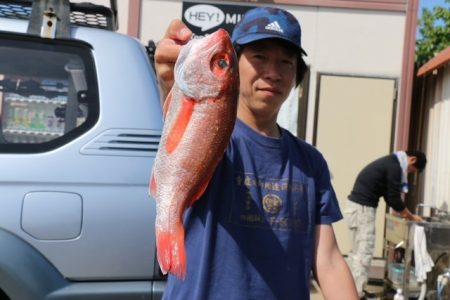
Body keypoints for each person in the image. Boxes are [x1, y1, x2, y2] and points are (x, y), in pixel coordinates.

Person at [154, 6, 358, 299]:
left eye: (286, 62)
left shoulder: (310, 163)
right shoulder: (215, 137)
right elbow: (182, 137)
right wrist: (170, 83)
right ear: (234, 66)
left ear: (297, 75)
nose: (273, 73)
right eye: (259, 57)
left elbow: (327, 260)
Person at [345, 150, 427, 299]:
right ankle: (355, 295)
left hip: (356, 208)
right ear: (412, 159)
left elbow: (389, 196)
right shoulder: (394, 167)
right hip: (363, 210)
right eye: (412, 170)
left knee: (356, 255)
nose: (409, 173)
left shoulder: (390, 162)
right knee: (363, 254)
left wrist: (404, 213)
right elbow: (394, 199)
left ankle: (354, 291)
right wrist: (411, 216)